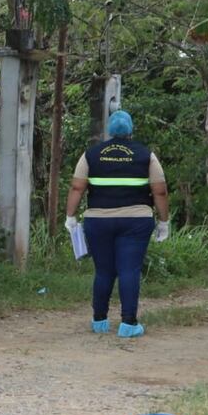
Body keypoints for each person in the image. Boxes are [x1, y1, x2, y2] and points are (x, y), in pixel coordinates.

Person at [64, 110, 170, 337]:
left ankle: (99, 322)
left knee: (103, 271)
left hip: (98, 221)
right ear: (131, 130)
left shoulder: (90, 155)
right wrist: (164, 221)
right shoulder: (146, 155)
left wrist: (70, 216)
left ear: (109, 130)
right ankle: (128, 324)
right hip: (136, 222)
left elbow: (77, 187)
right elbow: (159, 191)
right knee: (129, 270)